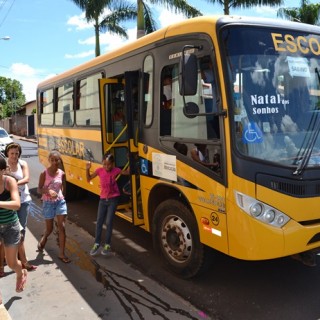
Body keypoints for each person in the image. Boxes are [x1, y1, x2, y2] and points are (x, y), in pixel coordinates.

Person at [4, 142, 37, 271]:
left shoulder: (23, 164)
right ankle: (11, 257)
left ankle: (22, 259)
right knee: (10, 231)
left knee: (21, 231)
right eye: (12, 153)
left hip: (23, 201)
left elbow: (27, 179)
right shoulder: (4, 165)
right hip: (9, 203)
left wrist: (12, 183)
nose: (14, 156)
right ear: (7, 153)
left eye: (16, 153)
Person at [37, 150, 70, 263]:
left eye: (57, 160)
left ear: (60, 161)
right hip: (48, 203)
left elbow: (63, 187)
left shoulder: (62, 173)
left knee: (62, 226)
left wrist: (61, 196)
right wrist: (48, 191)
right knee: (50, 229)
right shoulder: (44, 173)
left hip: (60, 202)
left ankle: (61, 254)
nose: (55, 162)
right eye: (52, 160)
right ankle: (44, 237)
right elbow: (39, 189)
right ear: (49, 160)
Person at [86, 153, 123, 256]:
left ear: (113, 164)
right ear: (102, 163)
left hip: (113, 199)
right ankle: (97, 243)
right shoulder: (99, 171)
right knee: (99, 222)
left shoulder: (116, 170)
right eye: (105, 164)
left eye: (109, 164)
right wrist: (87, 169)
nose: (107, 167)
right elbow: (88, 179)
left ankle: (107, 244)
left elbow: (126, 172)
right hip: (102, 200)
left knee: (109, 222)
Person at [0, 157, 27, 293]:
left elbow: (16, 204)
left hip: (11, 225)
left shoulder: (9, 181)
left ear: (3, 170)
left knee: (11, 263)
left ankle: (20, 273)